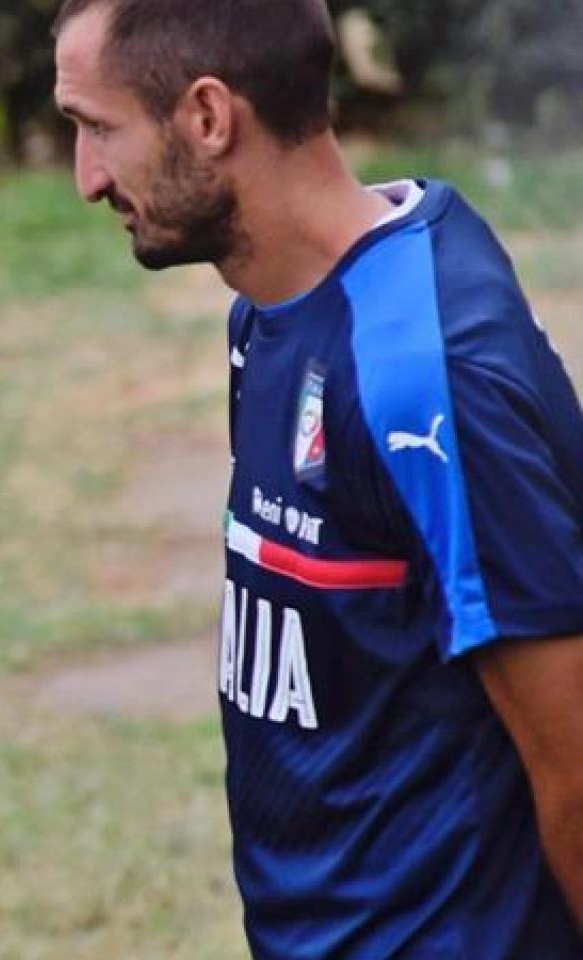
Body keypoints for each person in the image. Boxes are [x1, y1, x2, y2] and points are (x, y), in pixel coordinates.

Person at [54, 0, 583, 956]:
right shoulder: (272, 316)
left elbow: (577, 765)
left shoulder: (425, 378)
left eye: (99, 128)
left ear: (209, 117)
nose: (88, 179)